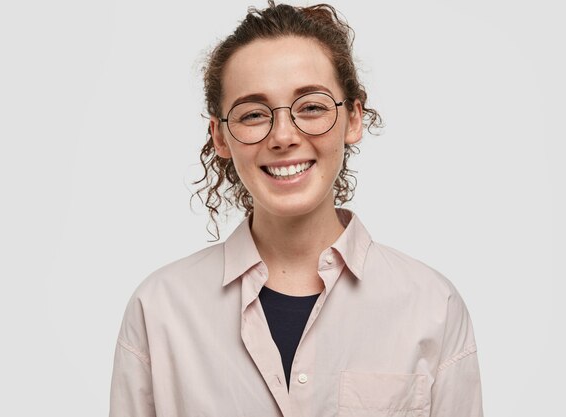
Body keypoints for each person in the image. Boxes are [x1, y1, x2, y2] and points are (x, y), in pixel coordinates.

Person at [109, 1, 484, 416]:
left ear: (353, 118)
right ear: (220, 137)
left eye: (311, 107)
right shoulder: (159, 309)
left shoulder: (432, 306)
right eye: (253, 114)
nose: (283, 135)